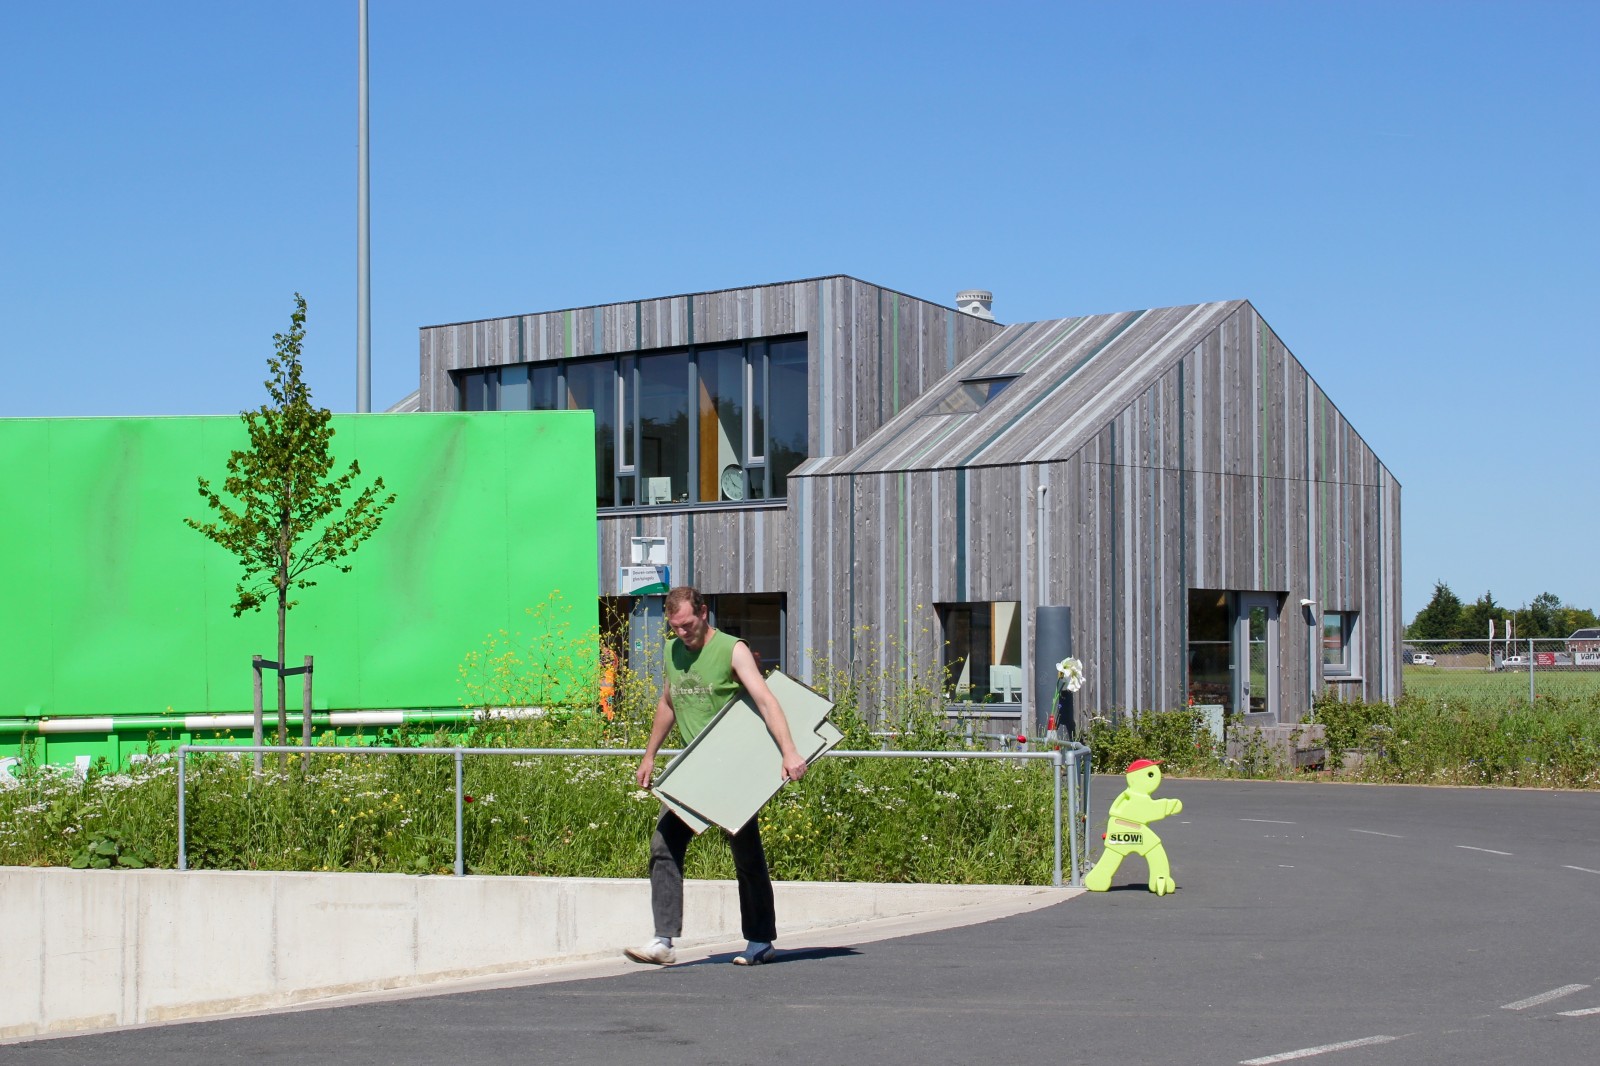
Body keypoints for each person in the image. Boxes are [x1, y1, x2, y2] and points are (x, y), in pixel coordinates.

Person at [625, 586, 808, 967]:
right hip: (695, 768)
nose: (682, 633)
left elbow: (765, 699)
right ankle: (663, 941)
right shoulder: (673, 651)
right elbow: (668, 702)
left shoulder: (732, 649)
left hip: (732, 768)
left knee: (745, 853)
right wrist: (649, 755)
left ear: (704, 613)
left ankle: (759, 940)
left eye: (688, 625)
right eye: (675, 627)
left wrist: (790, 751)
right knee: (664, 846)